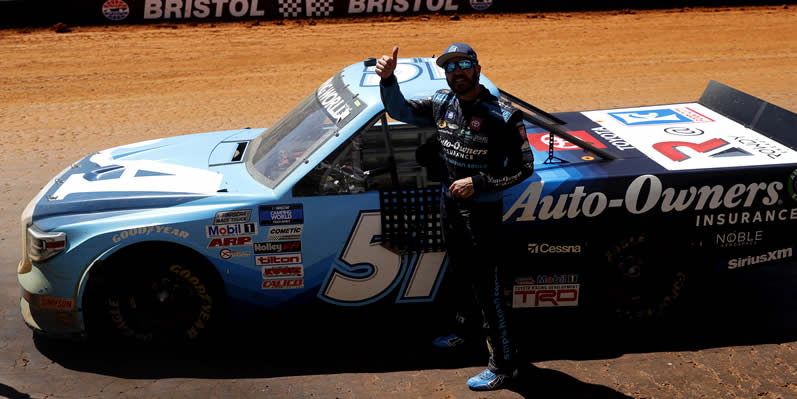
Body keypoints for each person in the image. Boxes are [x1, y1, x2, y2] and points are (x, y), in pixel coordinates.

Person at [376, 43, 535, 391]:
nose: (457, 72)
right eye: (450, 67)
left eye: (463, 65)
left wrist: (478, 183)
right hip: (450, 208)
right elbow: (399, 109)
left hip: (482, 214)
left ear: (477, 68)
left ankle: (505, 366)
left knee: (488, 290)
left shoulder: (503, 115)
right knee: (461, 275)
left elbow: (525, 168)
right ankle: (465, 334)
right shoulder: (442, 103)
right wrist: (388, 80)